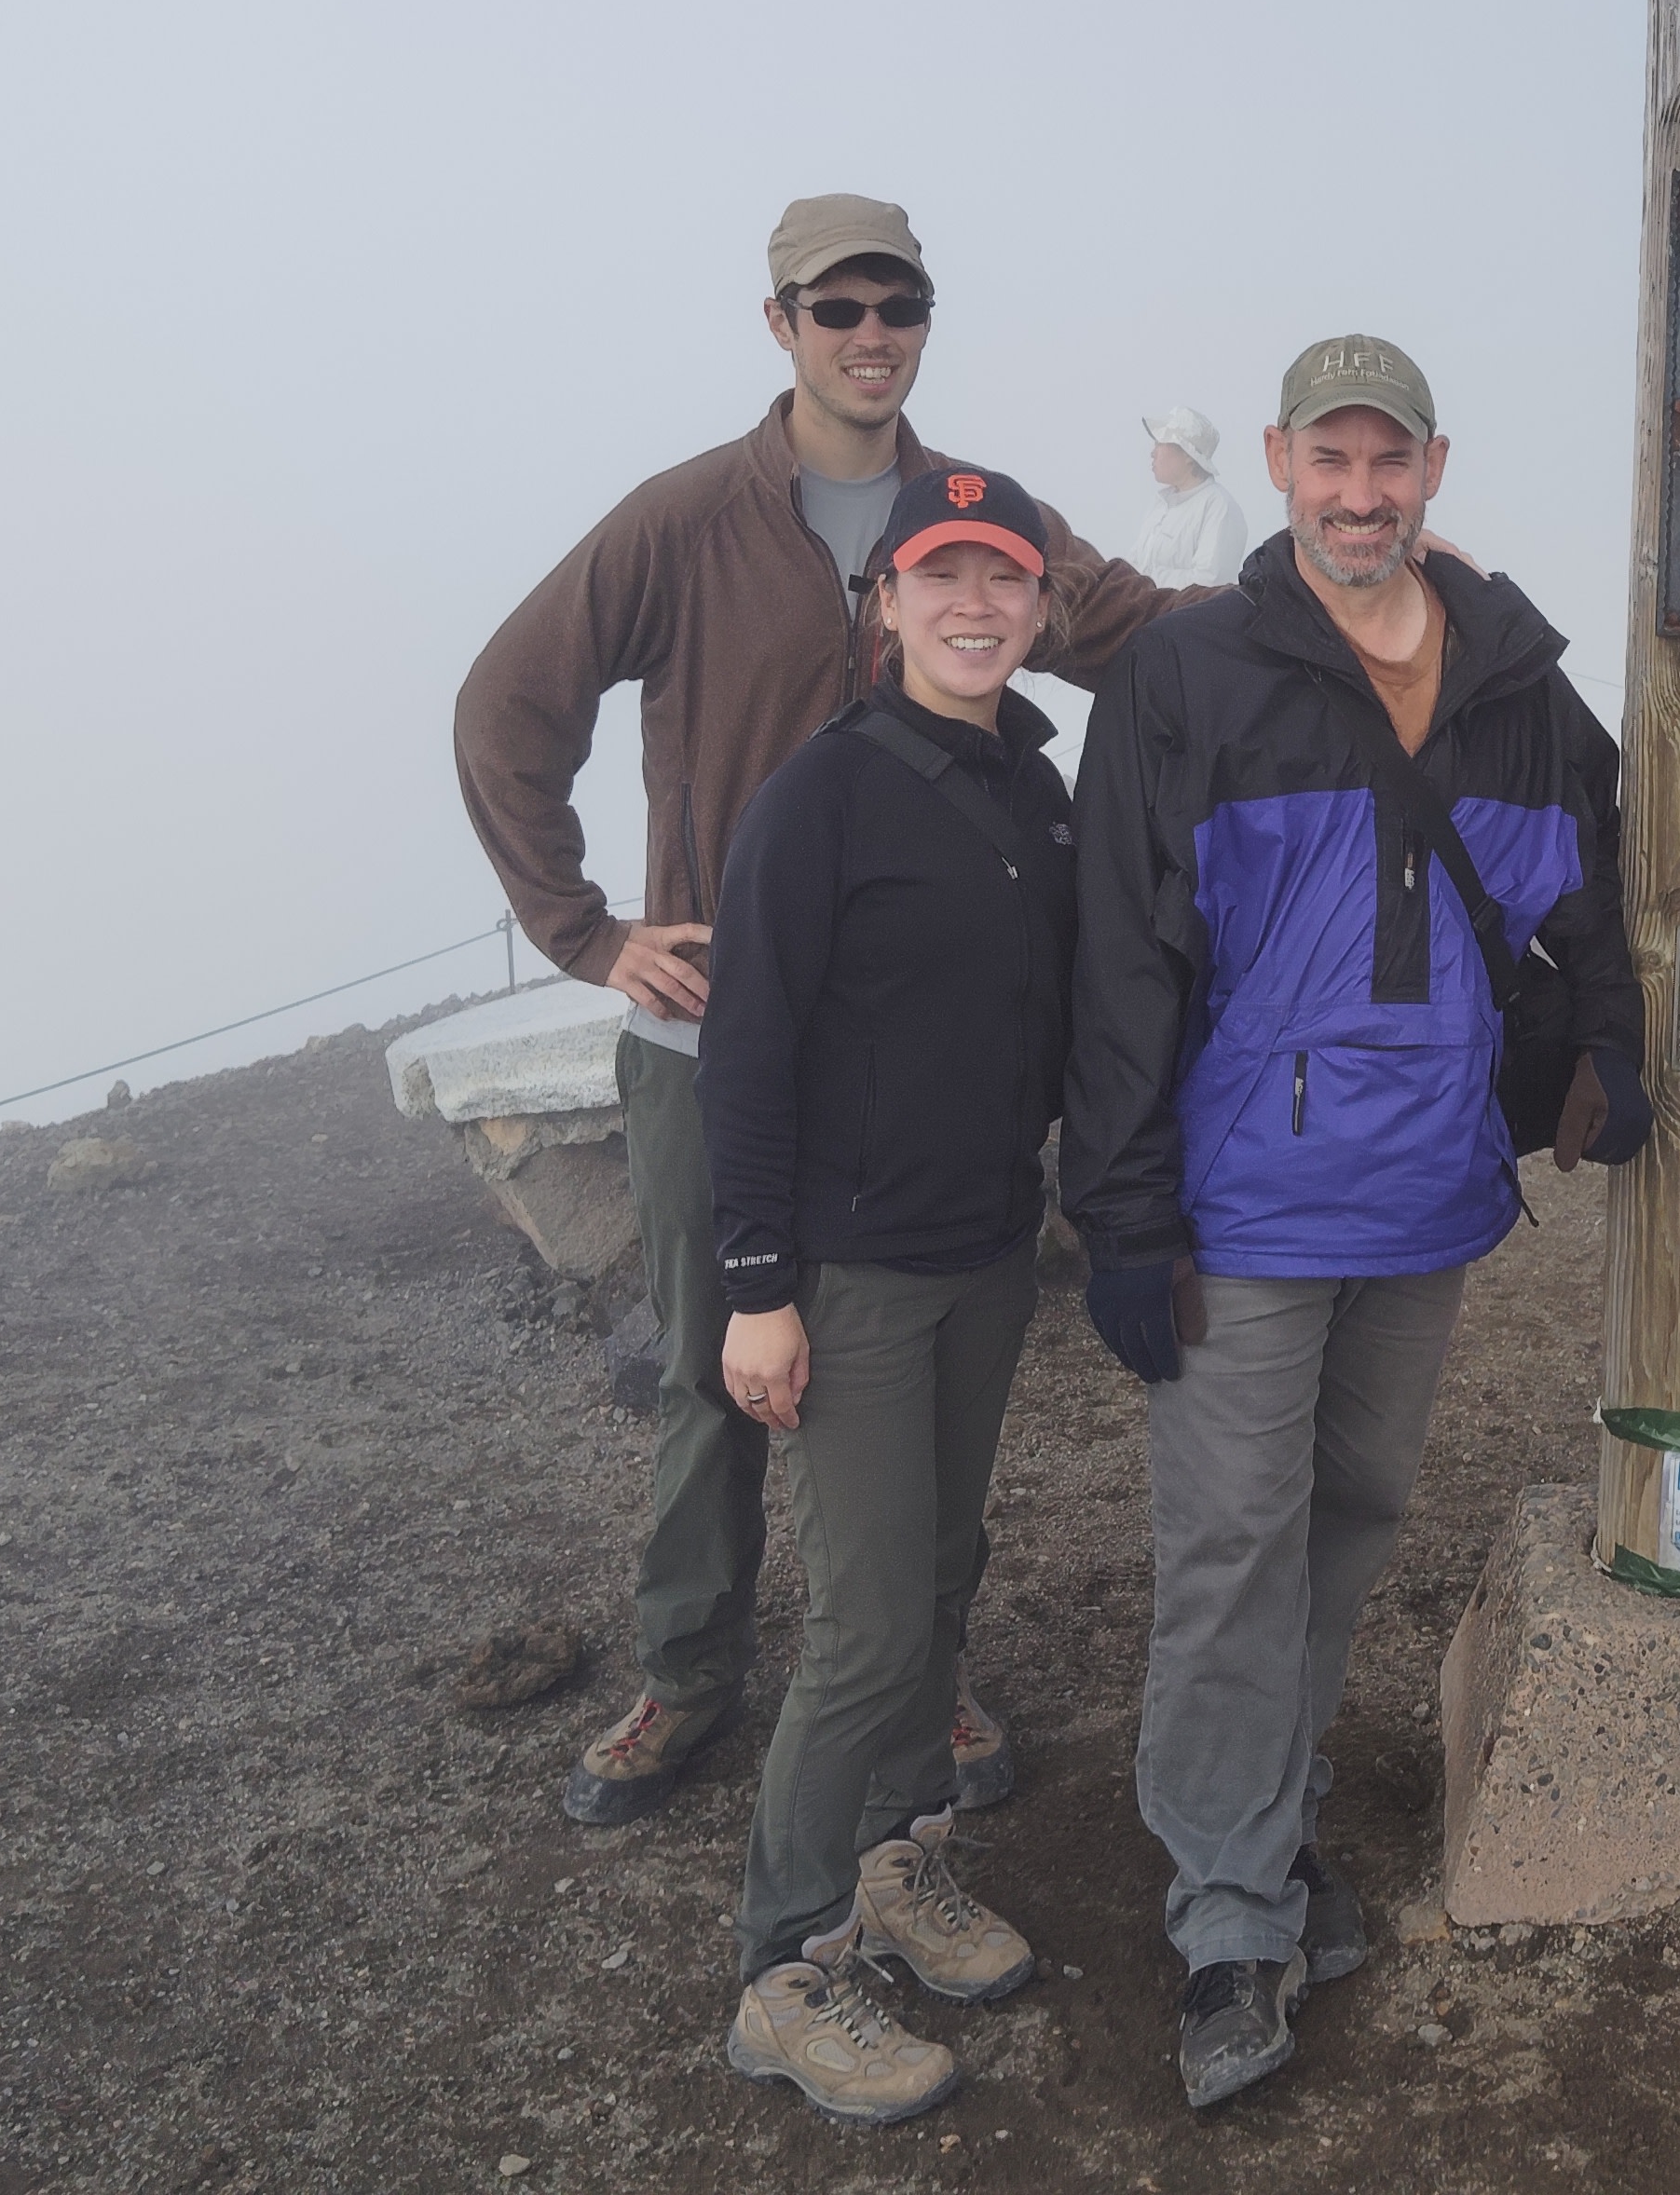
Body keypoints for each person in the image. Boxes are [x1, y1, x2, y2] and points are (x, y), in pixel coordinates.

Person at [455, 192, 1199, 1829]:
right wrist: (584, 932)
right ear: (779, 322)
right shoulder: (682, 521)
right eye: (835, 305)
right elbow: (508, 706)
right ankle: (691, 1668)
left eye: (899, 303)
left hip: (917, 1083)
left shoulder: (979, 521)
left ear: (925, 319)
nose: (871, 333)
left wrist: (1345, 594)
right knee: (715, 1365)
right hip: (711, 1038)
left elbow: (1146, 635)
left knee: (917, 1386)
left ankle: (915, 1675)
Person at [1059, 332, 1647, 2112]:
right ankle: (1232, 1904)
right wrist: (1122, 1207)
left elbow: (1598, 880)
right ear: (1280, 461)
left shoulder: (1521, 687)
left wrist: (1613, 1038)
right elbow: (1122, 959)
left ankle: (1268, 1804)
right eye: (1330, 459)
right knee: (1234, 1539)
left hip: (1423, 1195)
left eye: (1389, 463)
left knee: (1350, 1516)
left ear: (1435, 471)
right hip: (1241, 1202)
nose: (1359, 492)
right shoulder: (1190, 673)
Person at [705, 468, 1075, 2126]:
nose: (975, 606)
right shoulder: (824, 797)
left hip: (987, 1251)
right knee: (861, 1623)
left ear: (1042, 606)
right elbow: (749, 1051)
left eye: (1004, 579)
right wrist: (757, 1290)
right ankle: (786, 1967)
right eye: (944, 577)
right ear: (888, 601)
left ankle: (902, 1860)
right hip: (850, 1276)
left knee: (940, 1566)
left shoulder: (1040, 793)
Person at [1129, 407, 1252, 587]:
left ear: (1188, 454)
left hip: (1182, 614)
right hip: (1145, 613)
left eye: (1160, 443)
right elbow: (1134, 565)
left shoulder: (1218, 506)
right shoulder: (1160, 504)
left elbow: (1210, 582)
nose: (1152, 453)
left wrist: (1145, 581)